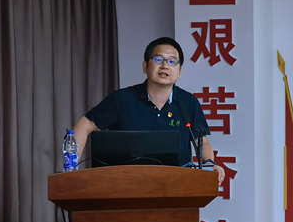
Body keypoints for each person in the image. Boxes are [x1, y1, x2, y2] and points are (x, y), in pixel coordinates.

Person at [73, 37, 225, 185]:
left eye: (172, 61)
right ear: (145, 66)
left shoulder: (188, 102)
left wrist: (209, 164)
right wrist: (71, 169)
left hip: (177, 185)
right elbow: (84, 125)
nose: (165, 66)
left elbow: (202, 141)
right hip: (125, 185)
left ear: (179, 71)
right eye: (158, 59)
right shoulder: (121, 99)